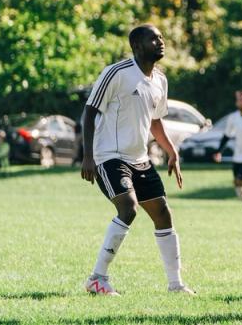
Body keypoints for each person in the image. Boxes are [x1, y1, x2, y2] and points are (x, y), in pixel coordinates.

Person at [80, 24, 194, 296]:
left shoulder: (160, 80)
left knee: (163, 214)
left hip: (140, 159)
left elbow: (155, 121)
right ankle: (97, 278)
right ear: (137, 46)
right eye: (154, 38)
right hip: (109, 157)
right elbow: (89, 112)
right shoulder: (116, 73)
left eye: (161, 37)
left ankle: (175, 285)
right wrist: (87, 156)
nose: (160, 41)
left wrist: (171, 150)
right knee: (128, 208)